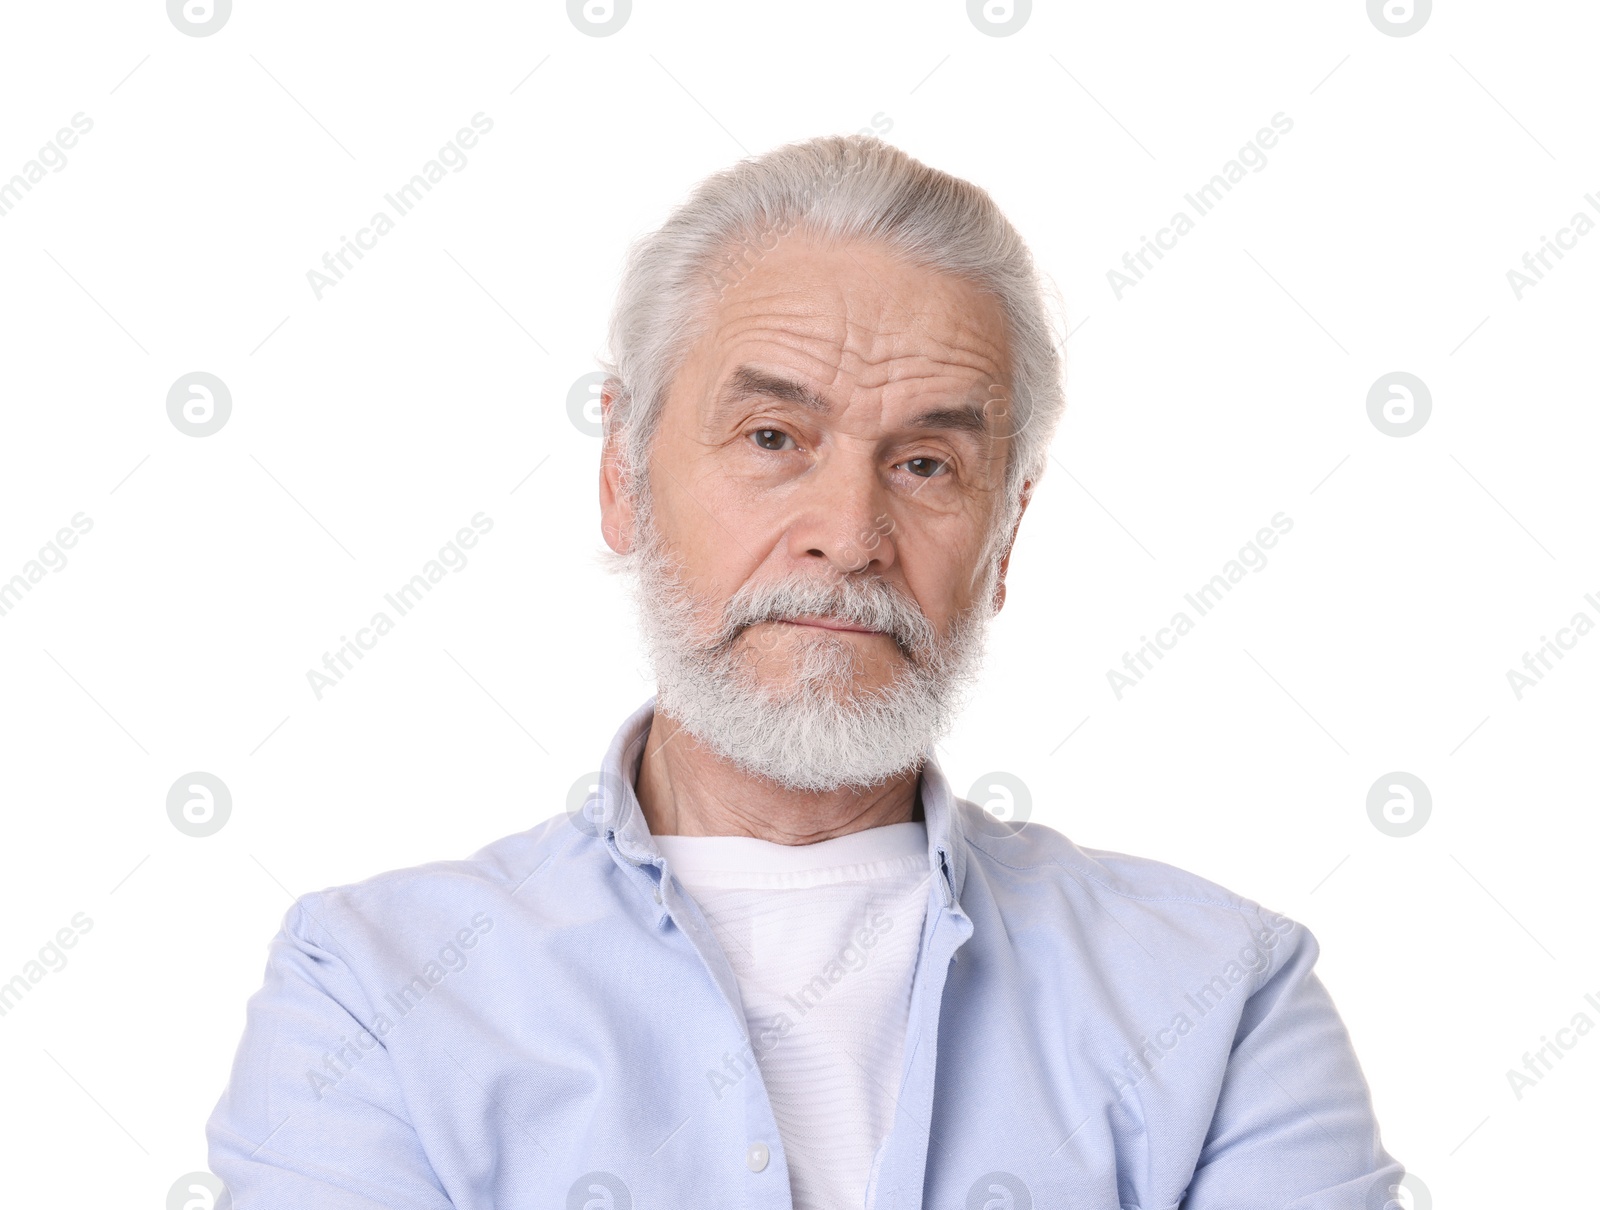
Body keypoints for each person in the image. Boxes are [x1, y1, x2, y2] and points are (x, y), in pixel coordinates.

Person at [207, 134, 1403, 1209]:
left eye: (928, 463)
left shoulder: (1222, 995)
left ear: (1005, 536)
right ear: (624, 481)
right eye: (774, 438)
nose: (849, 530)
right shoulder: (372, 988)